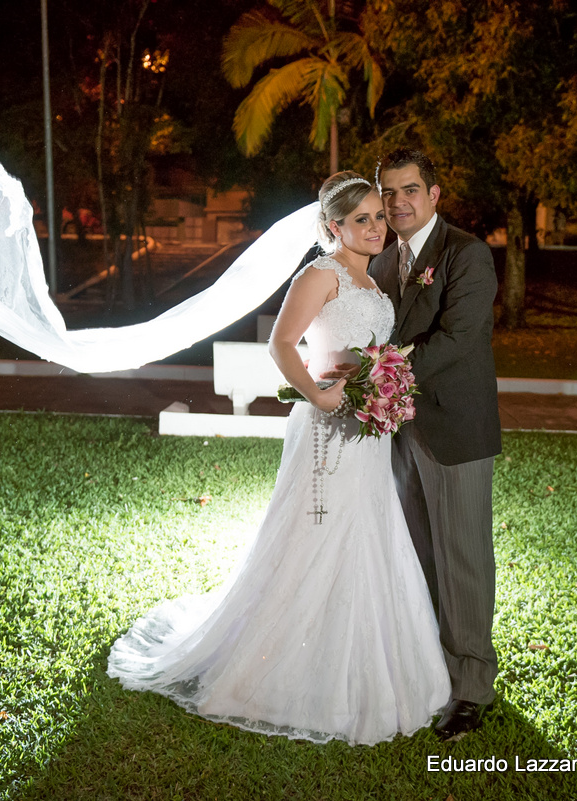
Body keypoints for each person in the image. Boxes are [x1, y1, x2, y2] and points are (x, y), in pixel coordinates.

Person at [106, 171, 450, 746]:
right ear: (332, 226)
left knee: (366, 533)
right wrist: (318, 393)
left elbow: (375, 353)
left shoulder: (375, 282)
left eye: (377, 216)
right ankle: (276, 671)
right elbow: (282, 343)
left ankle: (372, 665)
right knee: (314, 535)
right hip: (325, 428)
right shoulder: (321, 274)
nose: (373, 226)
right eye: (359, 218)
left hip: (368, 432)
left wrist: (384, 392)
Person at [370, 148, 503, 741]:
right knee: (417, 555)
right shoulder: (379, 259)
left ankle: (472, 688)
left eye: (409, 191)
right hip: (397, 430)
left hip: (455, 428)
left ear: (434, 194)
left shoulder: (466, 254)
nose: (398, 203)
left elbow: (457, 337)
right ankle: (429, 672)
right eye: (389, 193)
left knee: (464, 559)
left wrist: (382, 376)